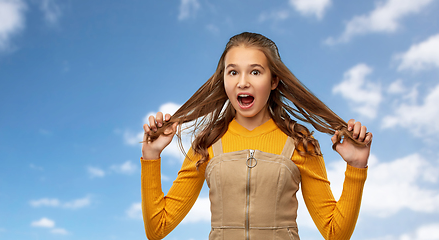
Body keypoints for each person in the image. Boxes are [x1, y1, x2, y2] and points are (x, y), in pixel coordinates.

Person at [140, 32, 372, 240]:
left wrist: (356, 167)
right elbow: (157, 228)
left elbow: (335, 234)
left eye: (255, 71)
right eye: (233, 72)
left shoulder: (300, 143)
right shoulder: (206, 143)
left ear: (273, 81)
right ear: (224, 80)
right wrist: (151, 157)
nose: (243, 82)